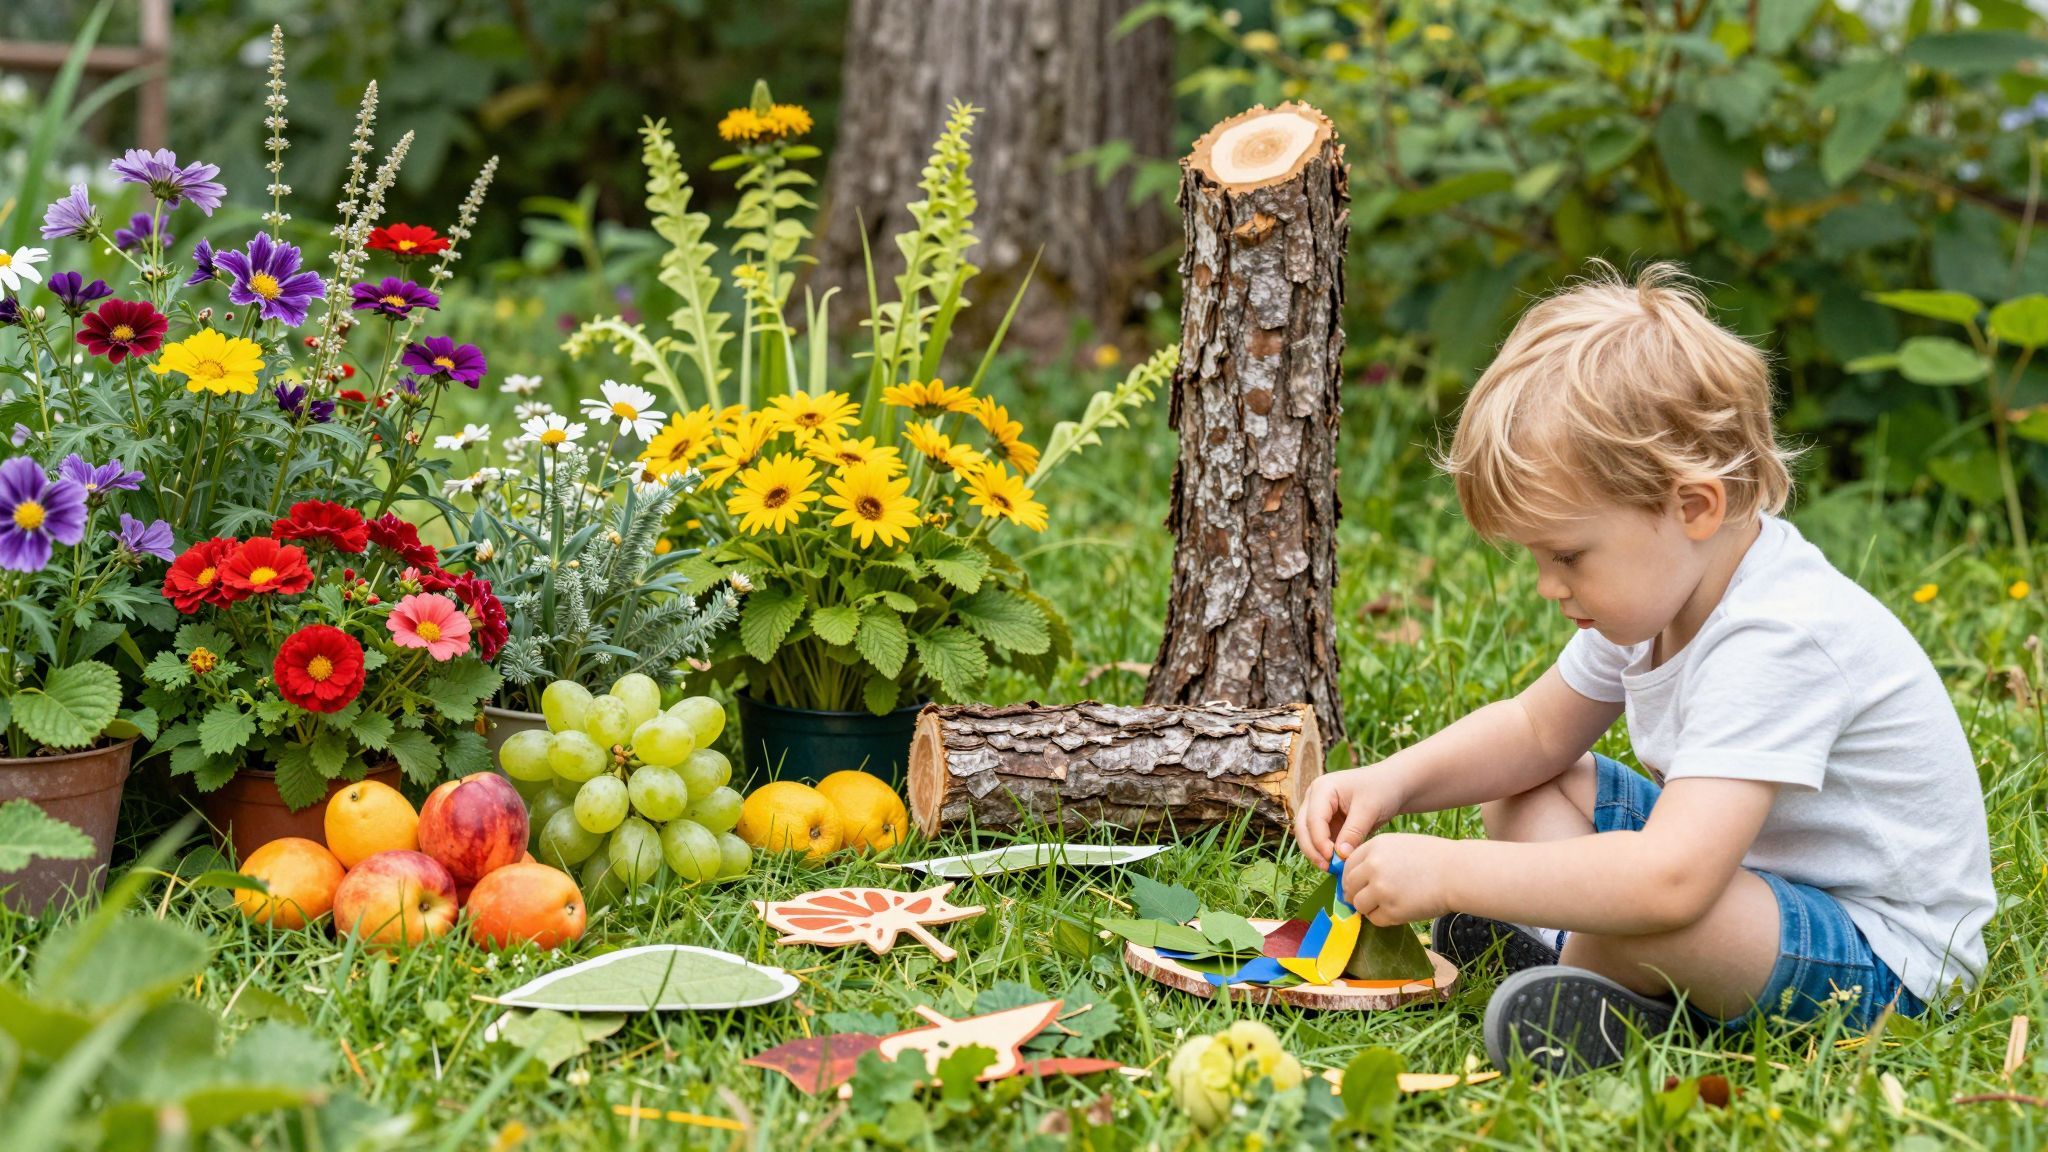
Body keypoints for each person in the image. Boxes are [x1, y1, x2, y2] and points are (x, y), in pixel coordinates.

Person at [1294, 260, 1995, 1075]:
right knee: (1525, 783)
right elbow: (1533, 731)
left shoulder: (1777, 635)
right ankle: (1581, 955)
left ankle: (1583, 965)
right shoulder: (1659, 591)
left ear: (1693, 507)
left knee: (1655, 911)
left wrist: (1454, 874)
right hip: (1743, 875)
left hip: (1879, 956)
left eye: (1567, 554)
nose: (1550, 586)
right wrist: (1395, 780)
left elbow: (1670, 880)